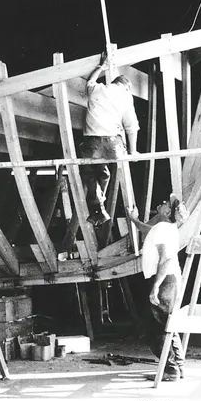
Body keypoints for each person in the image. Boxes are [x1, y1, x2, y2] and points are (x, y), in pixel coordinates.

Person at [126, 193, 189, 381]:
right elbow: (148, 231)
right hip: (170, 280)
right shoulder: (165, 227)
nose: (160, 203)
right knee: (168, 324)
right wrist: (134, 220)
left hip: (164, 280)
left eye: (164, 203)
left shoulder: (163, 228)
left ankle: (170, 371)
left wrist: (155, 287)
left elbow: (166, 258)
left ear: (168, 211)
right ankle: (178, 366)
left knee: (155, 327)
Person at [78, 51, 140, 226]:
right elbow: (132, 126)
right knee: (104, 173)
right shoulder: (126, 97)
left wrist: (101, 66)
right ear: (127, 87)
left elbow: (89, 81)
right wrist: (133, 151)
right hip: (114, 144)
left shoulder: (97, 89)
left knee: (91, 173)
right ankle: (101, 208)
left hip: (92, 143)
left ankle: (98, 209)